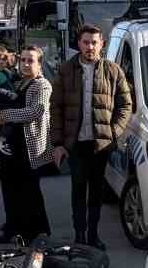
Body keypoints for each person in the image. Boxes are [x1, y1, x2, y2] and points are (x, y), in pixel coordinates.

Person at [48, 23, 132, 249]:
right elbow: (55, 107)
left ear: (102, 44)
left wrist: (113, 132)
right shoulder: (66, 70)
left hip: (100, 145)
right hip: (75, 144)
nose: (90, 47)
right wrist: (57, 144)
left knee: (96, 192)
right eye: (86, 42)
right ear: (79, 44)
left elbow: (125, 105)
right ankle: (80, 236)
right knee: (78, 189)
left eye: (94, 42)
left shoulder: (113, 71)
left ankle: (94, 235)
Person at [0, 45, 53, 243]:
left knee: (29, 192)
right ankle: (14, 227)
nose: (26, 64)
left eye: (31, 61)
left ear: (39, 64)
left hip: (29, 147)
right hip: (10, 146)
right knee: (10, 190)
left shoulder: (42, 85)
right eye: (23, 60)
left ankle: (36, 232)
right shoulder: (17, 83)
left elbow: (37, 111)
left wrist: (6, 115)